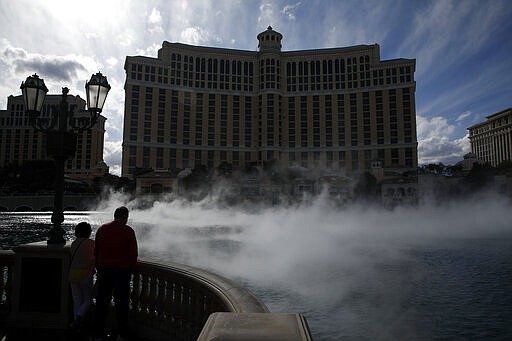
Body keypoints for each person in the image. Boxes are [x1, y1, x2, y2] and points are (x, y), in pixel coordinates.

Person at [94, 206, 138, 340]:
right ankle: (121, 333)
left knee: (102, 302)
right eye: (127, 217)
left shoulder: (102, 229)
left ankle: (98, 333)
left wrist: (99, 267)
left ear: (114, 215)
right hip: (122, 271)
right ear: (124, 216)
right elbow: (133, 253)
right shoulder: (128, 231)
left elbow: (96, 251)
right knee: (122, 303)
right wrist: (131, 268)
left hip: (104, 270)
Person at [69, 221, 95, 331]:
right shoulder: (91, 243)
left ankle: (76, 323)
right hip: (85, 273)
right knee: (88, 299)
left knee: (77, 300)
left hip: (72, 273)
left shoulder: (74, 243)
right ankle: (79, 317)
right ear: (88, 232)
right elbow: (94, 258)